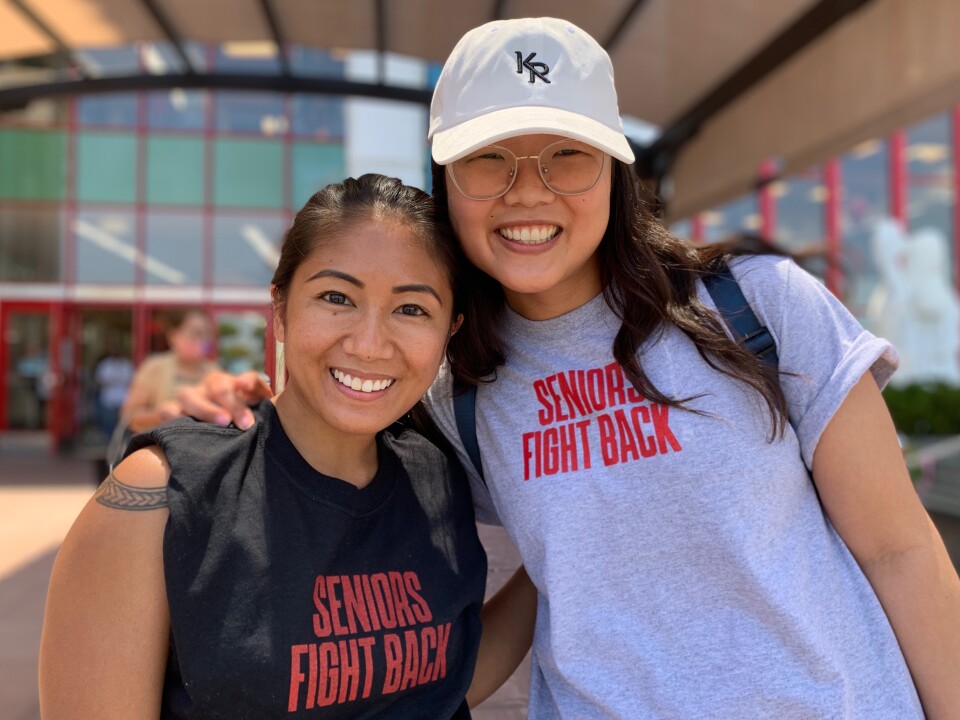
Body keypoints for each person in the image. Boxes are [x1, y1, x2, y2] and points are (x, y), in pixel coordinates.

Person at [176, 18, 960, 719]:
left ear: (613, 170)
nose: (529, 192)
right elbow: (322, 474)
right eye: (489, 159)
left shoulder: (759, 307)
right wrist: (236, 416)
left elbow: (902, 552)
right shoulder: (456, 391)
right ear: (445, 181)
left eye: (567, 155)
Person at [39, 175, 535, 719]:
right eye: (336, 298)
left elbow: (441, 687)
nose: (369, 344)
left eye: (412, 309)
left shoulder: (437, 477)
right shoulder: (163, 497)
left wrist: (556, 561)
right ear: (280, 309)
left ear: (450, 330)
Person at [121, 307, 220, 432]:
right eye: (196, 333)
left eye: (207, 334)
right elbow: (129, 414)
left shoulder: (215, 371)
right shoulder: (154, 367)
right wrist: (159, 416)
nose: (203, 339)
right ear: (174, 335)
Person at [93, 343, 135, 440]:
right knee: (108, 422)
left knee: (122, 424)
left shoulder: (127, 364)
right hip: (109, 399)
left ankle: (121, 441)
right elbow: (98, 381)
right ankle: (109, 441)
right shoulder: (105, 364)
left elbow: (133, 381)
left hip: (124, 399)